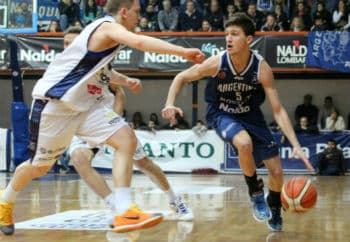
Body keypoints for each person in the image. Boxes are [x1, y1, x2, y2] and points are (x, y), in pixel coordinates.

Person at [0, 0, 204, 236]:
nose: (139, 18)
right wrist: (183, 51)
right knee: (38, 168)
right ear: (124, 12)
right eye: (137, 13)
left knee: (126, 139)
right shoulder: (107, 27)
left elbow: (103, 71)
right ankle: (5, 202)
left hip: (86, 108)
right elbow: (139, 42)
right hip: (55, 106)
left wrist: (126, 81)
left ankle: (124, 210)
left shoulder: (106, 38)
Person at [162, 13, 314, 232]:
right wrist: (169, 103)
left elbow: (278, 111)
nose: (228, 39)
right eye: (227, 34)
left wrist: (296, 145)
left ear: (249, 39)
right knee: (243, 144)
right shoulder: (217, 63)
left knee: (277, 172)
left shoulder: (262, 69)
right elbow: (181, 77)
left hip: (251, 115)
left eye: (235, 34)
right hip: (221, 113)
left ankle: (275, 207)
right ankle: (255, 193)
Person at [62, 26, 192, 221]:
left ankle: (173, 198)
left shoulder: (97, 63)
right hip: (79, 124)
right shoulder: (59, 68)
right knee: (80, 159)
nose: (69, 46)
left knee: (144, 163)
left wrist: (117, 113)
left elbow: (119, 92)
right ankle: (116, 205)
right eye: (65, 43)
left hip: (104, 119)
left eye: (73, 42)